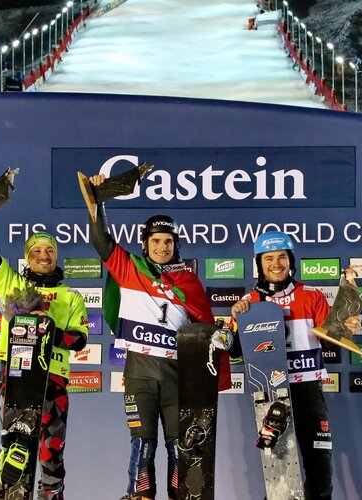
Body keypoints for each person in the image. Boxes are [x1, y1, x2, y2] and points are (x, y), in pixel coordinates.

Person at [83, 174, 231, 500]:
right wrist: (98, 201)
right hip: (140, 378)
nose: (162, 247)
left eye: (168, 241)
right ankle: (139, 496)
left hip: (177, 379)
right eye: (155, 241)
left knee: (181, 448)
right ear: (145, 244)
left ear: (176, 245)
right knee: (143, 446)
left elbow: (207, 334)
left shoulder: (189, 282)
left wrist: (219, 355)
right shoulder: (129, 268)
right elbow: (100, 239)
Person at [0, 188, 89, 500]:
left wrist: (49, 330)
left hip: (54, 379)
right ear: (27, 257)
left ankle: (52, 493)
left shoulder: (71, 296)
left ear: (56, 256)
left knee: (52, 453)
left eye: (50, 251)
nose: (44, 256)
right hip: (16, 376)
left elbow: (80, 340)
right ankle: (11, 487)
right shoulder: (13, 284)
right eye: (37, 251)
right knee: (15, 445)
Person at [230, 231, 359, 500]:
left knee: (319, 464)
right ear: (259, 263)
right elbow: (235, 353)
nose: (276, 264)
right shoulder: (248, 302)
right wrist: (236, 321)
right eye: (268, 258)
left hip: (308, 389)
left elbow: (332, 343)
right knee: (277, 471)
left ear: (291, 260)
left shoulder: (311, 296)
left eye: (282, 257)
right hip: (270, 393)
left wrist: (345, 327)